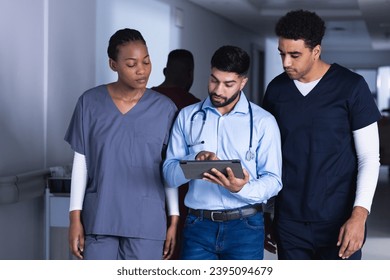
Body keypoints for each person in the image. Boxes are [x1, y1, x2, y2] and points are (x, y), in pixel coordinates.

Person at [262, 9, 382, 260]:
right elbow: (267, 157)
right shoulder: (276, 91)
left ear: (316, 51)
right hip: (290, 220)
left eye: (295, 55)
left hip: (339, 220)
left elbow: (369, 158)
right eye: (282, 54)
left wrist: (360, 215)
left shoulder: (352, 87)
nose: (286, 63)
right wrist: (265, 213)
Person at [64, 28, 179, 260]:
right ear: (113, 64)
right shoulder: (90, 103)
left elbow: (170, 167)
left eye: (146, 62)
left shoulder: (165, 109)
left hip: (147, 222)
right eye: (131, 64)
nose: (142, 70)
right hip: (100, 218)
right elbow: (81, 162)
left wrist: (174, 218)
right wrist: (74, 218)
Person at [163, 45, 282, 260]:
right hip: (197, 227)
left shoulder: (264, 122)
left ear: (242, 82)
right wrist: (194, 159)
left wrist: (241, 189)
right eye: (214, 80)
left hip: (245, 228)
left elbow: (274, 181)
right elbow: (169, 175)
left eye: (228, 84)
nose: (218, 90)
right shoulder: (187, 117)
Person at [152, 49, 200, 260]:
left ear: (164, 70)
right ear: (190, 74)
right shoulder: (196, 107)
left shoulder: (143, 100)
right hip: (183, 193)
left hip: (144, 190)